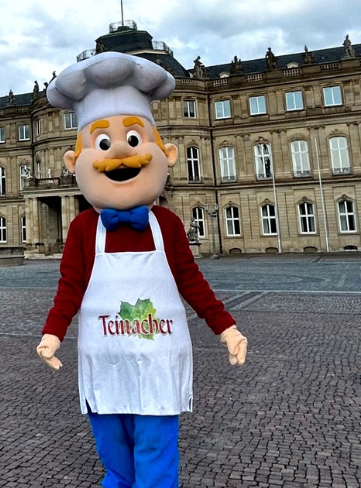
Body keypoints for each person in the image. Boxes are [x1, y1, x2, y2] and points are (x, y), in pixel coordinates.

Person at [36, 52, 246, 488]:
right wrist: (53, 332)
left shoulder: (166, 223)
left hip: (158, 358)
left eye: (133, 140)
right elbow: (70, 286)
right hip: (105, 359)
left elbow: (191, 280)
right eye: (102, 143)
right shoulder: (83, 227)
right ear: (74, 162)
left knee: (155, 449)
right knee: (113, 450)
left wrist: (226, 327)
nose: (118, 154)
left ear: (165, 154)